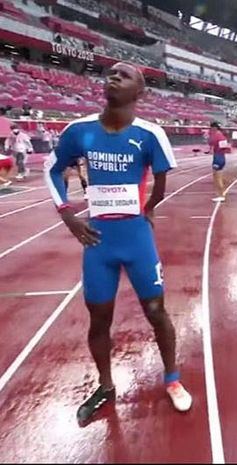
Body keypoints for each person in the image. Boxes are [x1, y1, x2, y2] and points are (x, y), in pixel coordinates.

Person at [44, 62, 192, 423]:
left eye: (124, 76)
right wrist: (67, 214)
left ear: (140, 92)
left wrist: (150, 207)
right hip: (98, 242)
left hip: (136, 239)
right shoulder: (79, 131)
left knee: (156, 311)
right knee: (99, 318)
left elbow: (160, 182)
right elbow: (53, 170)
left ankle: (172, 379)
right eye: (110, 73)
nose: (113, 77)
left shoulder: (149, 134)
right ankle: (106, 385)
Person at [206, 121, 230, 202]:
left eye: (211, 128)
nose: (210, 130)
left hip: (217, 158)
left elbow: (210, 143)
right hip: (222, 157)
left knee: (217, 178)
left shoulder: (216, 135)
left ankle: (221, 195)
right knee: (218, 177)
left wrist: (208, 137)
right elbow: (225, 147)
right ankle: (221, 194)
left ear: (214, 128)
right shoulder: (222, 136)